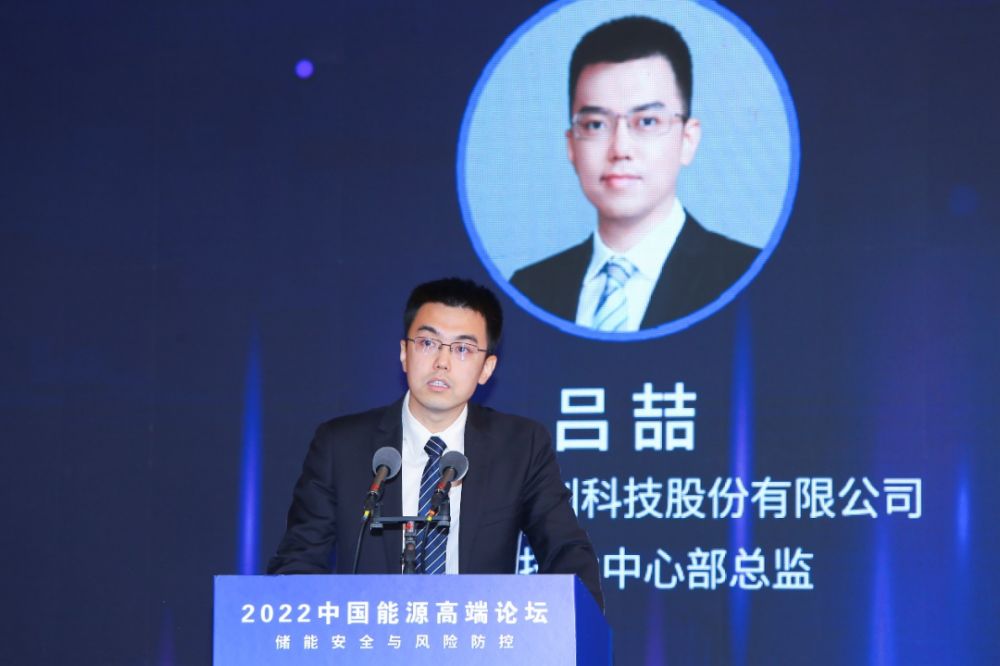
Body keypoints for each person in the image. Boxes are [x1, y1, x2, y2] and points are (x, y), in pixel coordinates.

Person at [267, 277, 604, 609]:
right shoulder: (341, 445)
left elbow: (566, 550)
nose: (442, 362)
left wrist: (577, 622)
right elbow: (298, 560)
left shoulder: (520, 446)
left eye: (462, 349)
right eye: (428, 343)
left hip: (478, 636)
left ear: (486, 368)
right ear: (404, 353)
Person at [510, 16, 759, 331]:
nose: (620, 149)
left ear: (687, 140)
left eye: (647, 122)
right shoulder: (528, 289)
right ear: (571, 145)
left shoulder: (746, 277)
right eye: (595, 125)